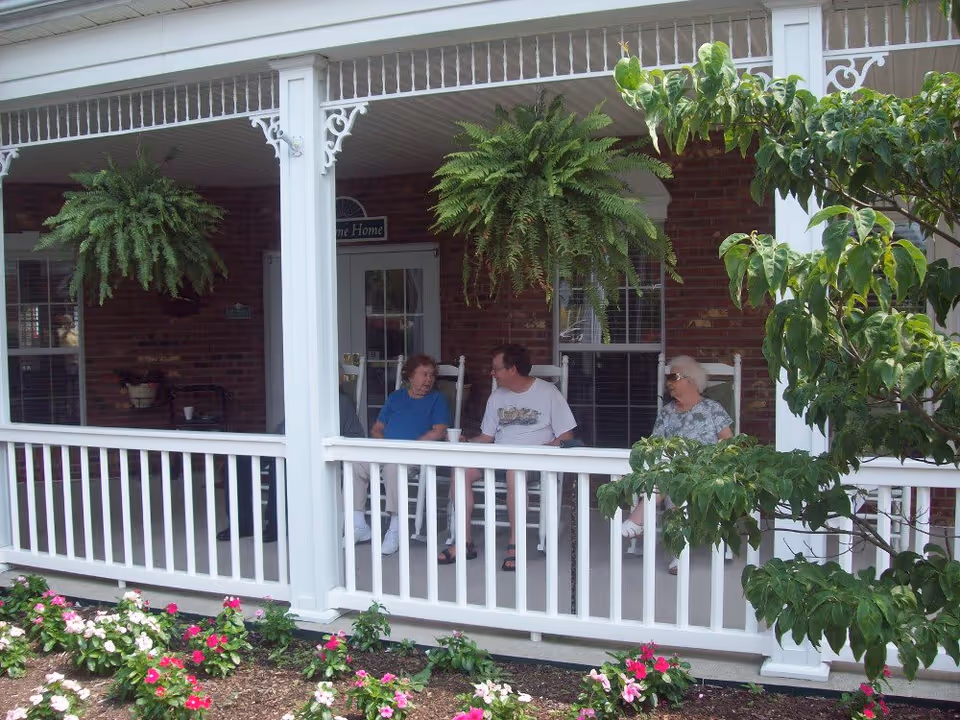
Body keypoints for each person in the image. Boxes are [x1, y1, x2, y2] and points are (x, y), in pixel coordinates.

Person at [439, 344, 576, 570]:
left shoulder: (548, 393)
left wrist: (540, 451)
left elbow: (566, 436)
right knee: (460, 471)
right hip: (498, 457)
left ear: (512, 369)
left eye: (496, 369)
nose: (492, 374)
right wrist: (467, 442)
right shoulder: (496, 397)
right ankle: (464, 543)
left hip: (533, 460)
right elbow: (486, 437)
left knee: (515, 473)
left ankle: (515, 544)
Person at [218, 377, 367, 543]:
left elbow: (321, 433)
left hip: (328, 450)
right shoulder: (302, 399)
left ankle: (277, 523)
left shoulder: (339, 402)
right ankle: (242, 523)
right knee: (239, 459)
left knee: (280, 461)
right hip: (292, 443)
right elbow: (284, 428)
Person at [621, 355, 733, 574]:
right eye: (668, 377)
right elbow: (654, 445)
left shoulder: (713, 409)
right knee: (672, 481)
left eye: (674, 376)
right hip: (672, 470)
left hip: (705, 469)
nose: (669, 382)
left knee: (672, 478)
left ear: (690, 380)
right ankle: (677, 555)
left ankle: (638, 519)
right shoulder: (666, 413)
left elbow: (729, 442)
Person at [357, 354, 450, 555]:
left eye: (432, 376)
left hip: (415, 455)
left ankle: (395, 527)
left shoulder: (436, 400)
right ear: (410, 376)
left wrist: (408, 448)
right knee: (357, 463)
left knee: (393, 469)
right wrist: (385, 446)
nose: (429, 380)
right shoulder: (395, 397)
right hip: (388, 451)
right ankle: (359, 525)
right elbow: (377, 429)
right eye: (424, 375)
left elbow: (439, 431)